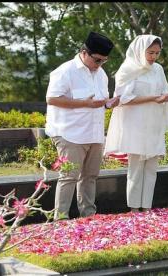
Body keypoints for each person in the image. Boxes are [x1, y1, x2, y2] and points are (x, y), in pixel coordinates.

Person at [45, 31, 120, 219]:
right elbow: (52, 98)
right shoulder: (65, 71)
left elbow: (98, 101)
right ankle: (60, 220)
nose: (100, 65)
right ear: (84, 52)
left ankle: (88, 217)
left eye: (104, 61)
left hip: (94, 132)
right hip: (69, 132)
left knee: (90, 177)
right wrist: (84, 103)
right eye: (97, 60)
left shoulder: (101, 74)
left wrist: (108, 103)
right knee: (69, 177)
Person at [104, 34, 168, 213]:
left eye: (157, 53)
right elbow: (123, 99)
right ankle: (134, 209)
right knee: (135, 169)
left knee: (151, 168)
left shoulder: (158, 69)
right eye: (150, 52)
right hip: (134, 125)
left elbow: (166, 90)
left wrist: (166, 96)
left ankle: (147, 207)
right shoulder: (127, 70)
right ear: (140, 50)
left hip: (154, 125)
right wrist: (153, 98)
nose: (154, 57)